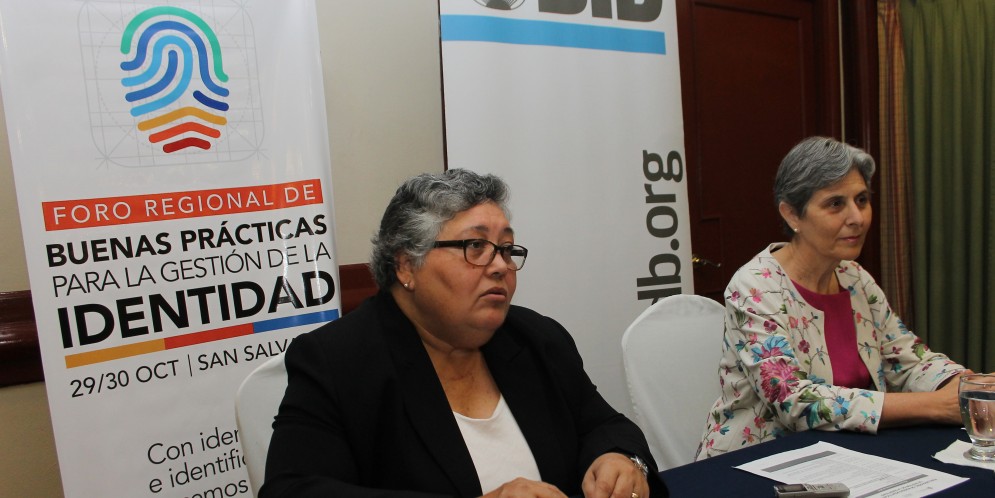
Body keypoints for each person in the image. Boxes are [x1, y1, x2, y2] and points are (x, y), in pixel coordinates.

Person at [262, 169, 665, 498]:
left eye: (506, 248)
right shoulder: (336, 361)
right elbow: (292, 490)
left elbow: (603, 425)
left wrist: (620, 458)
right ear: (406, 265)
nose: (500, 266)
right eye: (476, 246)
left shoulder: (536, 338)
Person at [695, 137, 970, 460]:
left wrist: (967, 386)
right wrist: (936, 406)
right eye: (836, 204)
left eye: (862, 200)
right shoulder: (754, 286)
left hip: (845, 455)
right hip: (752, 462)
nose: (857, 217)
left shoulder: (855, 277)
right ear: (792, 215)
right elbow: (794, 402)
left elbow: (907, 359)